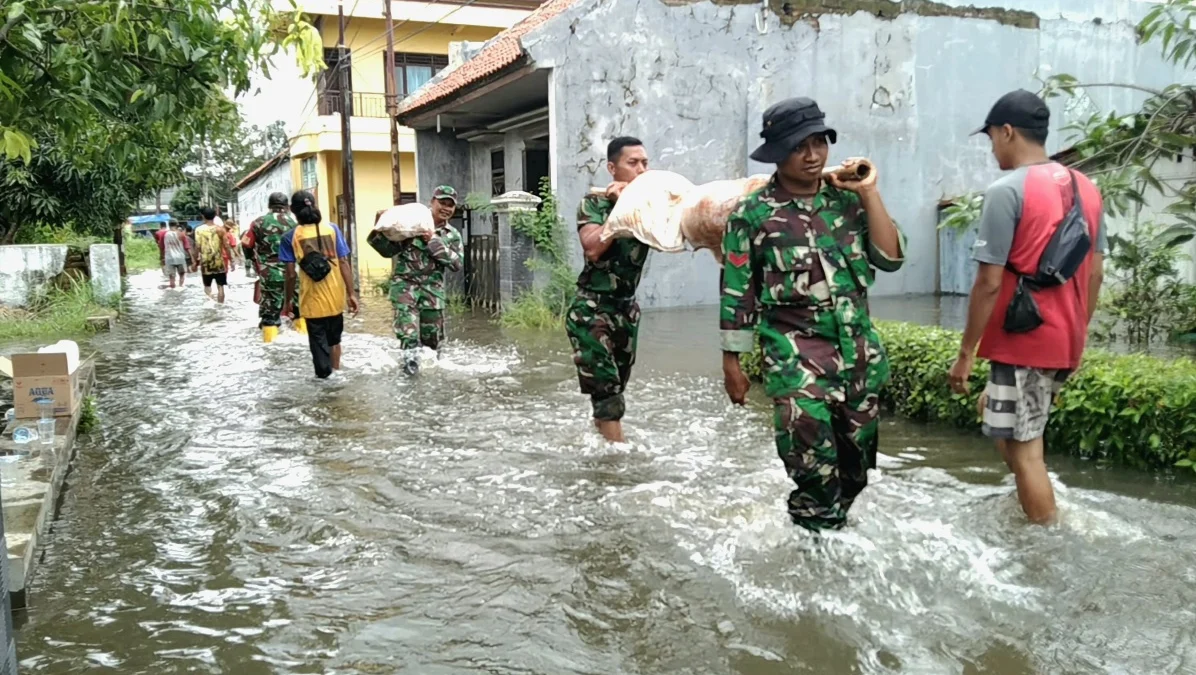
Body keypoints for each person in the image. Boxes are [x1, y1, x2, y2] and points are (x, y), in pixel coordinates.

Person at [720, 98, 905, 532]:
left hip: (858, 358)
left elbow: (891, 258)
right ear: (777, 153)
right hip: (795, 360)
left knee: (856, 470)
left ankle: (830, 528)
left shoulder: (847, 201)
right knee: (812, 468)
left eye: (819, 143)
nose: (812, 155)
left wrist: (869, 192)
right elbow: (737, 291)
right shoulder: (753, 215)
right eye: (799, 146)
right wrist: (732, 363)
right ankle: (814, 555)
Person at [948, 89, 1107, 525]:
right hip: (1064, 339)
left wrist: (965, 353)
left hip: (1025, 340)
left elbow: (988, 282)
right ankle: (1034, 505)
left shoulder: (1006, 191)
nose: (993, 147)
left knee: (1026, 451)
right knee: (1002, 419)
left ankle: (1046, 540)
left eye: (992, 138)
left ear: (1007, 131)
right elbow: (1094, 274)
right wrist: (1076, 335)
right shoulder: (1087, 188)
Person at [564, 137, 651, 443]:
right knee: (608, 392)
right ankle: (617, 467)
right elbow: (592, 249)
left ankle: (599, 442)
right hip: (592, 310)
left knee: (616, 388)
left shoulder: (649, 207)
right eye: (633, 163)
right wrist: (620, 206)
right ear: (613, 168)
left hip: (627, 310)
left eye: (645, 163)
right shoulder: (594, 204)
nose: (641, 169)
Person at [367, 186, 464, 375]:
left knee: (432, 340)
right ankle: (409, 376)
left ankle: (432, 378)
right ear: (432, 202)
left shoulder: (452, 235)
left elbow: (456, 264)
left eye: (450, 205)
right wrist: (380, 229)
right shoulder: (410, 226)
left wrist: (433, 241)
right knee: (408, 335)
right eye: (442, 203)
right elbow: (387, 251)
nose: (446, 208)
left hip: (432, 290)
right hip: (405, 286)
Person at [280, 190, 360, 379]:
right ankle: (337, 377)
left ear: (292, 210)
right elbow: (343, 263)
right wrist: (351, 294)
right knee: (334, 342)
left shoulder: (290, 237)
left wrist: (287, 301)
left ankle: (326, 387)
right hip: (335, 298)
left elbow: (290, 275)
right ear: (314, 205)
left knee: (318, 347)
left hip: (312, 300)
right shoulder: (332, 229)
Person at [242, 193, 305, 343]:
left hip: (269, 272)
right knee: (298, 310)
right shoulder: (295, 223)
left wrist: (251, 259)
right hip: (293, 272)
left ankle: (270, 347)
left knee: (270, 313)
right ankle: (303, 339)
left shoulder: (258, 223)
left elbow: (246, 244)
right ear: (286, 206)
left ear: (269, 206)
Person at [195, 206, 232, 303]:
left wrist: (195, 261)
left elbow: (198, 247)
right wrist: (231, 260)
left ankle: (210, 305)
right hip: (218, 262)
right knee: (220, 286)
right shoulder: (220, 229)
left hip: (205, 262)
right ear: (214, 216)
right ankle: (220, 306)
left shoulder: (199, 230)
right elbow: (226, 246)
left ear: (203, 216)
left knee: (207, 286)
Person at [161, 221, 194, 289]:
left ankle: (172, 288)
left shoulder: (164, 234)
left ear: (169, 225)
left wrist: (162, 258)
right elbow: (187, 247)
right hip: (180, 258)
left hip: (169, 258)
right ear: (177, 225)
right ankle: (180, 287)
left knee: (171, 276)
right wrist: (192, 258)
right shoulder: (181, 234)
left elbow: (162, 247)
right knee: (181, 275)